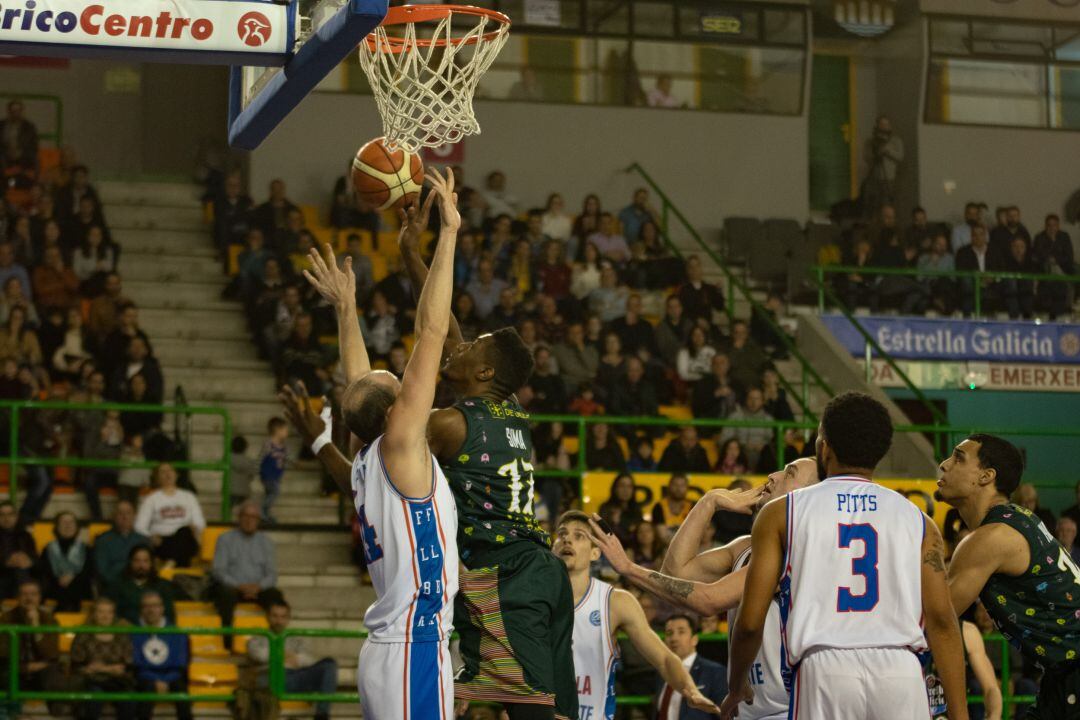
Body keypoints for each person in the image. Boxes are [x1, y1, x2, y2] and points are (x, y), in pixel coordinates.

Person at [280, 168, 461, 720]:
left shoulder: (367, 458)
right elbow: (432, 332)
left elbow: (357, 382)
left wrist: (345, 306)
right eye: (396, 383)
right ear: (397, 412)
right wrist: (447, 234)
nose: (402, 382)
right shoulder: (399, 446)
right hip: (412, 647)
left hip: (391, 650)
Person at [394, 177, 577, 718]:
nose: (461, 345)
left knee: (526, 710)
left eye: (472, 347)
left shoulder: (451, 424)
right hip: (539, 570)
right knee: (538, 704)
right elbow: (442, 328)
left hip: (505, 576)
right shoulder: (508, 409)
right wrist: (410, 250)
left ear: (485, 372)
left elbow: (393, 430)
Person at [718, 393, 967, 720]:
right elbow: (943, 623)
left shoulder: (781, 513)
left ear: (824, 446)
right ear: (880, 452)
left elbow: (749, 623)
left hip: (824, 669)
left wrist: (737, 686)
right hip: (901, 672)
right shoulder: (920, 522)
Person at [939, 434, 1080, 719]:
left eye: (958, 458)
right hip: (1062, 675)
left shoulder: (989, 538)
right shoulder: (1019, 518)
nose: (944, 465)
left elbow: (936, 619)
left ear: (986, 476)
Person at [552, 511, 719, 720]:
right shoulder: (534, 600)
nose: (567, 539)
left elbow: (664, 659)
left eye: (579, 536)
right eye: (561, 534)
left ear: (595, 553)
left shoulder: (615, 602)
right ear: (553, 548)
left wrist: (690, 690)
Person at [247, 600, 339, 720]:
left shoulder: (296, 637)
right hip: (271, 677)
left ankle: (321, 715)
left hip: (295, 677)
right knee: (264, 680)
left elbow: (308, 659)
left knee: (329, 664)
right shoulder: (259, 637)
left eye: (283, 617)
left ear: (288, 619)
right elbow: (257, 654)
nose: (278, 621)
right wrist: (285, 656)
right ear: (267, 617)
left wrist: (296, 658)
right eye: (275, 616)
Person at [210, 501, 285, 630]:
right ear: (239, 518)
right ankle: (227, 638)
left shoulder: (266, 542)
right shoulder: (225, 539)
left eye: (254, 517)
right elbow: (218, 570)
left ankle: (274, 637)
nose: (250, 520)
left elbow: (272, 574)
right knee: (224, 594)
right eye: (246, 516)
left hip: (258, 590)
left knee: (276, 597)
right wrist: (239, 586)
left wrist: (258, 587)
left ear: (259, 521)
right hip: (233, 588)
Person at [0, 579, 66, 717]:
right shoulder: (6, 618)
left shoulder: (49, 619)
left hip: (42, 670)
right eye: (24, 594)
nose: (29, 598)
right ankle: (12, 714)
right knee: (5, 674)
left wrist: (36, 627)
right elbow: (3, 652)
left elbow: (52, 653)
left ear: (39, 597)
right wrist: (24, 667)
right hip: (16, 668)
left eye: (33, 594)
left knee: (54, 674)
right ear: (18, 597)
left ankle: (57, 716)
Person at [71, 597, 136, 720]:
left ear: (113, 614)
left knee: (128, 697)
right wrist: (109, 669)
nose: (105, 616)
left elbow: (126, 665)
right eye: (101, 612)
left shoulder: (122, 634)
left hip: (118, 680)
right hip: (91, 680)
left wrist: (100, 668)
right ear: (94, 614)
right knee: (95, 695)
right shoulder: (83, 634)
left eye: (109, 612)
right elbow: (78, 664)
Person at [132, 590, 192, 720]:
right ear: (141, 610)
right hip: (145, 677)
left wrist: (165, 680)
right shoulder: (134, 633)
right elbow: (136, 663)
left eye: (155, 605)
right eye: (146, 606)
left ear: (162, 608)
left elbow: (181, 663)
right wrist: (155, 680)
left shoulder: (177, 633)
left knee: (182, 691)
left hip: (172, 676)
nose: (151, 610)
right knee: (145, 689)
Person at [656, 615, 727, 720]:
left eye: (681, 632)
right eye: (669, 633)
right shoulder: (662, 671)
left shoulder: (714, 671)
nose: (674, 638)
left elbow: (724, 714)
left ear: (694, 639)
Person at [134, 463, 205, 567]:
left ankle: (170, 564)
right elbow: (139, 526)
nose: (167, 474)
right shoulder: (151, 499)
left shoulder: (189, 497)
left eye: (170, 471)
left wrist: (196, 528)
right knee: (183, 551)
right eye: (163, 472)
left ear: (176, 475)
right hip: (163, 542)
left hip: (186, 538)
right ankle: (176, 568)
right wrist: (151, 536)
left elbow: (199, 521)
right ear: (157, 478)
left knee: (184, 532)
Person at [38, 510, 94, 612]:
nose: (68, 525)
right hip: (55, 587)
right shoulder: (48, 549)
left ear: (77, 526)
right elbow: (44, 571)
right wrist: (59, 578)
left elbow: (89, 571)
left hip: (79, 588)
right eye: (64, 522)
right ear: (57, 527)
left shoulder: (86, 549)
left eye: (71, 522)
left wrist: (72, 576)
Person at [110, 544, 177, 625]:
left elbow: (169, 616)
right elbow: (110, 612)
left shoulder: (163, 585)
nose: (141, 565)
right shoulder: (117, 585)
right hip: (127, 633)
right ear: (130, 562)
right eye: (137, 561)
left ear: (152, 563)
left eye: (145, 561)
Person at [94, 500, 150, 595]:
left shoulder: (144, 541)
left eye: (128, 513)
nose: (125, 517)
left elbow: (148, 568)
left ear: (134, 516)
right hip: (113, 589)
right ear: (114, 516)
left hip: (141, 590)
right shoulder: (102, 541)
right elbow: (102, 571)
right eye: (120, 513)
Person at [862, 114, 903, 215]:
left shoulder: (896, 141)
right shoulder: (870, 141)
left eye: (886, 124)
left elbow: (900, 157)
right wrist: (876, 153)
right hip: (874, 177)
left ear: (890, 126)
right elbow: (866, 157)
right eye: (881, 124)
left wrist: (887, 150)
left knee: (887, 203)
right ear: (877, 126)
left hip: (889, 178)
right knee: (873, 204)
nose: (884, 126)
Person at [0, 500, 36, 599]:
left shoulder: (26, 536)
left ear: (16, 517)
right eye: (2, 515)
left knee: (22, 572)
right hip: (2, 575)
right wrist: (6, 562)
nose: (6, 518)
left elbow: (36, 558)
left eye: (10, 514)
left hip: (23, 573)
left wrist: (29, 561)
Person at [258, 417, 288, 524]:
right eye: (285, 430)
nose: (286, 433)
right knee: (274, 492)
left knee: (269, 494)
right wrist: (257, 470)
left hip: (276, 475)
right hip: (268, 474)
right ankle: (260, 510)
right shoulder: (269, 444)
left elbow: (285, 459)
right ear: (277, 430)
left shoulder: (283, 446)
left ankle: (265, 515)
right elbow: (261, 458)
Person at [651, 474, 692, 539]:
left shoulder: (692, 506)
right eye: (675, 485)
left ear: (687, 488)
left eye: (682, 485)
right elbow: (662, 537)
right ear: (669, 486)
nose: (678, 489)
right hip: (665, 548)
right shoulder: (659, 507)